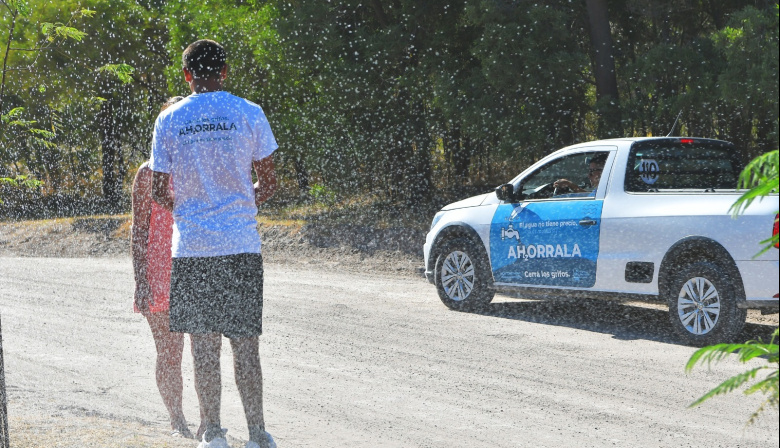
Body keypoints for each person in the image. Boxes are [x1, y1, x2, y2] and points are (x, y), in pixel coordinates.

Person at [149, 39, 278, 448]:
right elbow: (270, 183)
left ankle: (215, 434)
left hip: (193, 248)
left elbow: (157, 190)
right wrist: (238, 201)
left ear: (187, 75)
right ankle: (258, 434)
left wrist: (191, 206)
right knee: (245, 347)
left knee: (204, 348)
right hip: (241, 244)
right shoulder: (248, 112)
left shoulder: (169, 120)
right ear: (225, 71)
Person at [132, 95, 200, 440]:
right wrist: (139, 280)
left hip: (196, 266)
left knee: (203, 350)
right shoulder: (148, 172)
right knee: (169, 352)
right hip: (159, 271)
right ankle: (178, 421)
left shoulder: (202, 163)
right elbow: (138, 228)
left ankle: (208, 422)